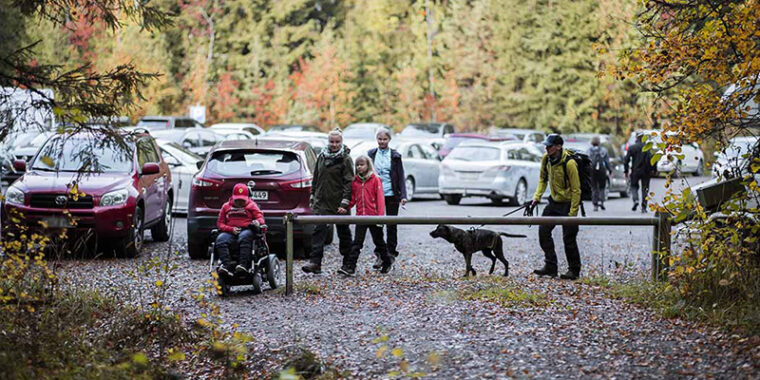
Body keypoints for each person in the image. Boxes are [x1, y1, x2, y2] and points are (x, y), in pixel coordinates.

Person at [530, 134, 582, 280]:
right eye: (546, 146)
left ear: (558, 147)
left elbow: (576, 189)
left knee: (569, 239)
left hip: (568, 203)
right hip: (553, 202)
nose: (546, 148)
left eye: (550, 146)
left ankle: (574, 271)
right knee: (543, 231)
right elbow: (542, 179)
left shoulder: (569, 163)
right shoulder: (546, 159)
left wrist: (573, 213)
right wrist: (536, 197)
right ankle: (550, 266)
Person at [302, 129, 354, 274]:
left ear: (341, 142)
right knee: (318, 232)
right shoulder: (322, 157)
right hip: (321, 202)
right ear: (328, 141)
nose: (334, 144)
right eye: (332, 141)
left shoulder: (346, 159)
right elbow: (316, 178)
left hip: (339, 203)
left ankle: (348, 264)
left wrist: (345, 203)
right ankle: (315, 263)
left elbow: (349, 182)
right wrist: (313, 196)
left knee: (343, 233)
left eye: (337, 142)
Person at [338, 156, 394, 276]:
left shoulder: (375, 179)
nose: (359, 167)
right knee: (357, 243)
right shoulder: (356, 181)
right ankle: (350, 267)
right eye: (357, 165)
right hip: (361, 217)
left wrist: (380, 217)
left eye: (362, 164)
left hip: (374, 216)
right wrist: (345, 207)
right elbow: (353, 199)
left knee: (379, 242)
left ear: (368, 165)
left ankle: (387, 262)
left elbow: (380, 199)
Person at [368, 127, 407, 269]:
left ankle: (390, 253)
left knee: (391, 225)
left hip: (392, 194)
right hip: (375, 194)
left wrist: (403, 195)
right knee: (377, 224)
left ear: (389, 140)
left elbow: (401, 176)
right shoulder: (371, 154)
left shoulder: (395, 156)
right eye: (379, 139)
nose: (382, 141)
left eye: (384, 139)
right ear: (376, 139)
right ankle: (379, 253)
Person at [216, 183, 266, 277]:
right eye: (237, 200)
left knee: (244, 237)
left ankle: (243, 264)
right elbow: (220, 223)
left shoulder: (252, 206)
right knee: (220, 240)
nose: (239, 203)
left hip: (247, 229)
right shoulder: (226, 207)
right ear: (233, 197)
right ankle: (226, 265)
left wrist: (257, 222)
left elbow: (261, 218)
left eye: (242, 200)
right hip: (230, 231)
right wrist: (230, 229)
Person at [624, 132, 655, 213]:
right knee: (645, 189)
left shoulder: (632, 147)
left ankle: (636, 200)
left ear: (636, 138)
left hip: (635, 170)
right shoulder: (649, 148)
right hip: (646, 172)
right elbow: (654, 160)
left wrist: (626, 170)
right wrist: (654, 170)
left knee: (633, 186)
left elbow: (626, 160)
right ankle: (644, 207)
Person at [588, 136, 613, 212]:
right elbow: (607, 161)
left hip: (592, 171)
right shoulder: (603, 150)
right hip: (602, 170)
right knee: (602, 187)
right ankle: (602, 202)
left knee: (594, 188)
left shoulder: (589, 151)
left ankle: (595, 204)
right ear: (599, 142)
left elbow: (587, 161)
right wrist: (610, 170)